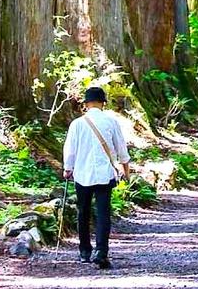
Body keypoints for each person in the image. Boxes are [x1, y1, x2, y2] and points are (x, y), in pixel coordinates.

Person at [63, 87, 131, 268]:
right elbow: (121, 149)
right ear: (102, 103)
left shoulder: (77, 124)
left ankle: (84, 251)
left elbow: (70, 150)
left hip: (82, 174)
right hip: (104, 174)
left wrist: (67, 168)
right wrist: (126, 170)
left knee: (83, 212)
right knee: (103, 214)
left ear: (86, 104)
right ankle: (101, 252)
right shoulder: (111, 122)